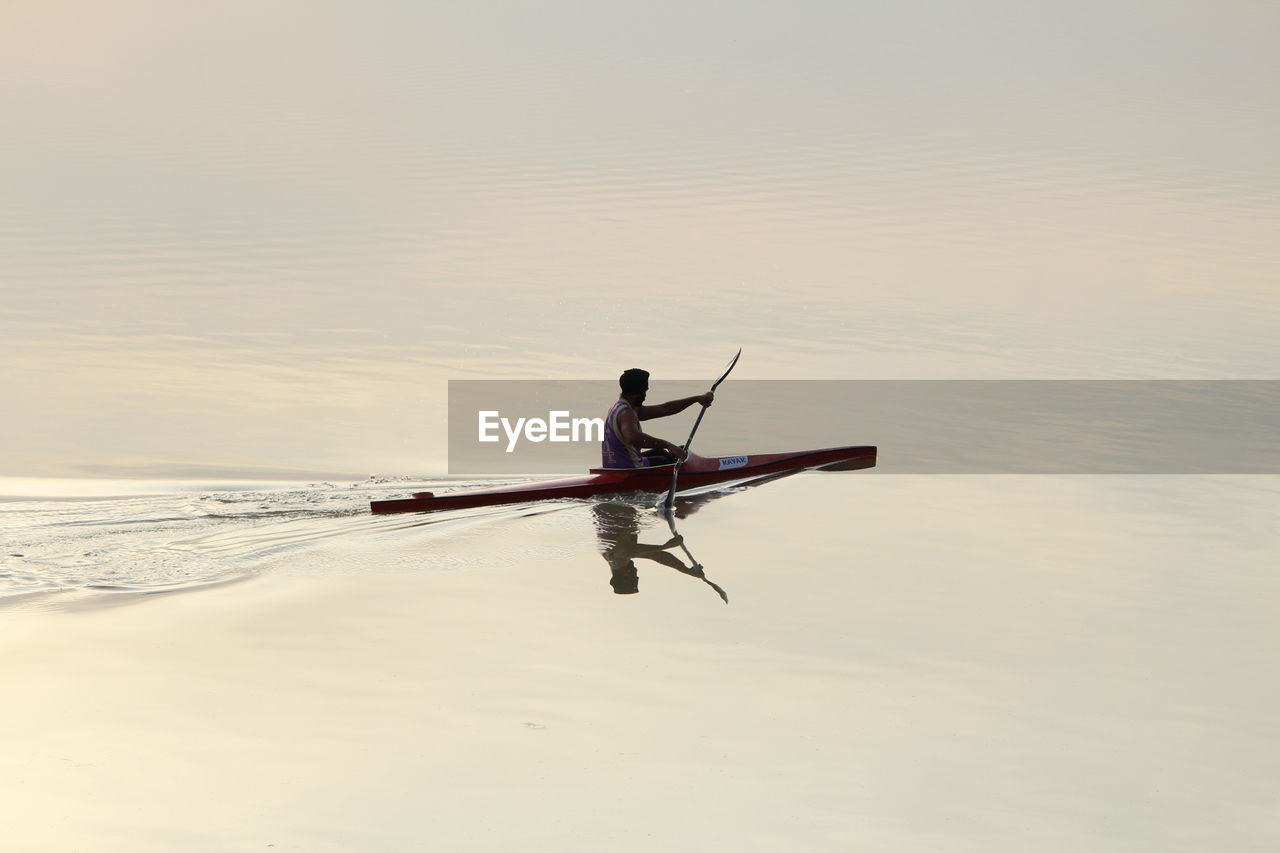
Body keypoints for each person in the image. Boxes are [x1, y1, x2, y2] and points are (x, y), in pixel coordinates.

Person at [601, 368, 713, 468]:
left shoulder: (619, 407)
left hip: (615, 465)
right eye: (644, 392)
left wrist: (697, 399)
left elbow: (666, 409)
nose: (645, 396)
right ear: (637, 393)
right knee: (670, 459)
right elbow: (633, 437)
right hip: (629, 467)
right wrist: (667, 444)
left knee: (663, 452)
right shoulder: (626, 413)